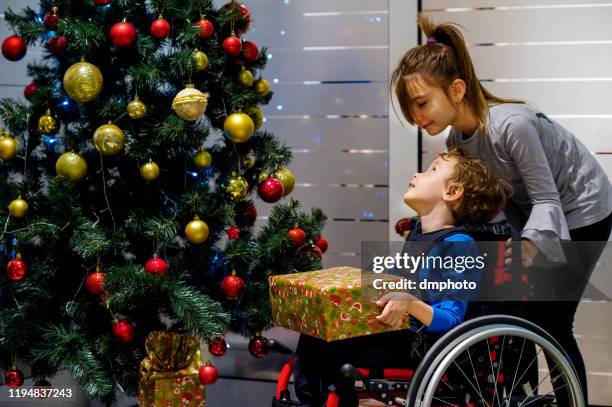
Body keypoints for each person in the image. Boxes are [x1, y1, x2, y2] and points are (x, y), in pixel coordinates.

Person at [390, 14, 612, 403]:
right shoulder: (459, 136)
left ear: (456, 89)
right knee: (512, 309)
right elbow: (489, 203)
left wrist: (525, 251)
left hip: (583, 208)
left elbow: (547, 200)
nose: (416, 118)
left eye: (422, 103)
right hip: (531, 213)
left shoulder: (513, 126)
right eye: (411, 109)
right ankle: (515, 396)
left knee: (553, 321)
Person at [294, 148, 511, 407]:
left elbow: (452, 319)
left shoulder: (459, 245)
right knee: (318, 326)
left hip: (420, 346)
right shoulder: (418, 235)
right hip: (396, 333)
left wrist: (409, 303)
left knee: (328, 340)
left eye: (432, 171)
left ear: (452, 193)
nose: (417, 175)